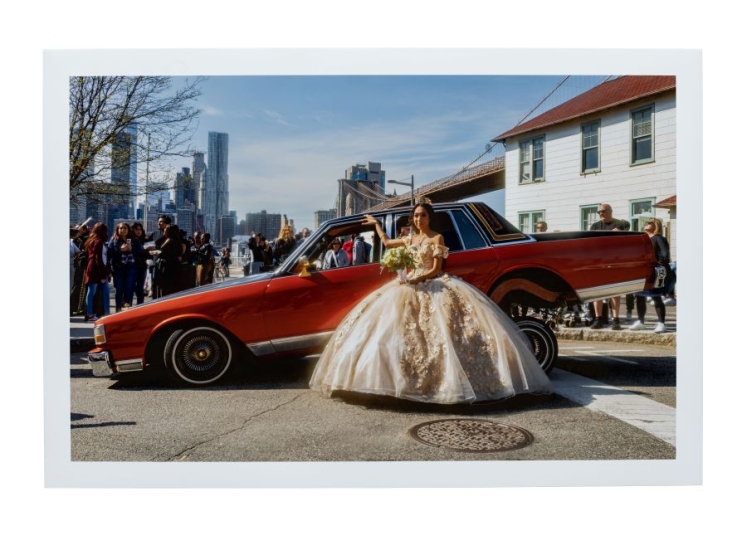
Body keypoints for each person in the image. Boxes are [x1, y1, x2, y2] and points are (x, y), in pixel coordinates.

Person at [309, 202, 553, 404]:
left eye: (422, 215)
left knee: (445, 335)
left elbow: (437, 267)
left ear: (429, 217)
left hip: (434, 284)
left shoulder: (438, 239)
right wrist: (377, 225)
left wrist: (418, 277)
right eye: (415, 216)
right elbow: (386, 244)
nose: (418, 219)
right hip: (409, 286)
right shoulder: (410, 239)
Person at [629, 218, 670, 334]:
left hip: (654, 271)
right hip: (642, 271)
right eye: (646, 222)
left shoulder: (658, 238)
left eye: (650, 223)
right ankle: (640, 322)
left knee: (656, 296)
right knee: (639, 296)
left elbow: (665, 255)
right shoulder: (644, 239)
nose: (647, 224)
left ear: (656, 225)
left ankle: (661, 323)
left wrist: (657, 265)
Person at [589, 203, 623, 330]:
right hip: (599, 262)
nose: (601, 214)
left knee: (615, 291)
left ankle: (616, 320)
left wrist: (619, 233)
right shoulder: (595, 226)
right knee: (597, 291)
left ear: (610, 211)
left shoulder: (618, 224)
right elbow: (590, 243)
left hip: (614, 262)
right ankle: (598, 319)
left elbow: (626, 229)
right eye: (599, 212)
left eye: (603, 211)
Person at [108, 222, 143, 312]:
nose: (123, 230)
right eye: (121, 228)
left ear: (128, 230)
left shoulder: (134, 240)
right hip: (118, 268)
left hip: (131, 268)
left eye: (125, 228)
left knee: (129, 289)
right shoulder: (114, 240)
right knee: (119, 289)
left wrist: (132, 249)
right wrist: (120, 250)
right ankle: (118, 309)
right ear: (117, 230)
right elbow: (110, 253)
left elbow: (140, 252)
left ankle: (127, 309)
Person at [83, 222, 111, 321]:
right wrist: (103, 274)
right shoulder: (98, 242)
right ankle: (102, 313)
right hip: (97, 270)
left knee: (92, 292)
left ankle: (91, 314)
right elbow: (98, 259)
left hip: (93, 269)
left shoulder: (91, 241)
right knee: (101, 292)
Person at [154, 224, 184, 297]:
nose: (164, 230)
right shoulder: (174, 240)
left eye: (166, 229)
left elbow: (167, 253)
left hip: (168, 267)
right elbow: (157, 243)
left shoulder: (172, 241)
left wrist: (158, 253)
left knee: (167, 289)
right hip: (171, 267)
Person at [131, 222, 149, 305]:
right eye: (136, 229)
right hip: (133, 266)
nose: (139, 231)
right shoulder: (130, 240)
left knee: (140, 287)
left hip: (142, 266)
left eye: (140, 229)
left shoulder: (144, 240)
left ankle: (140, 305)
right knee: (131, 286)